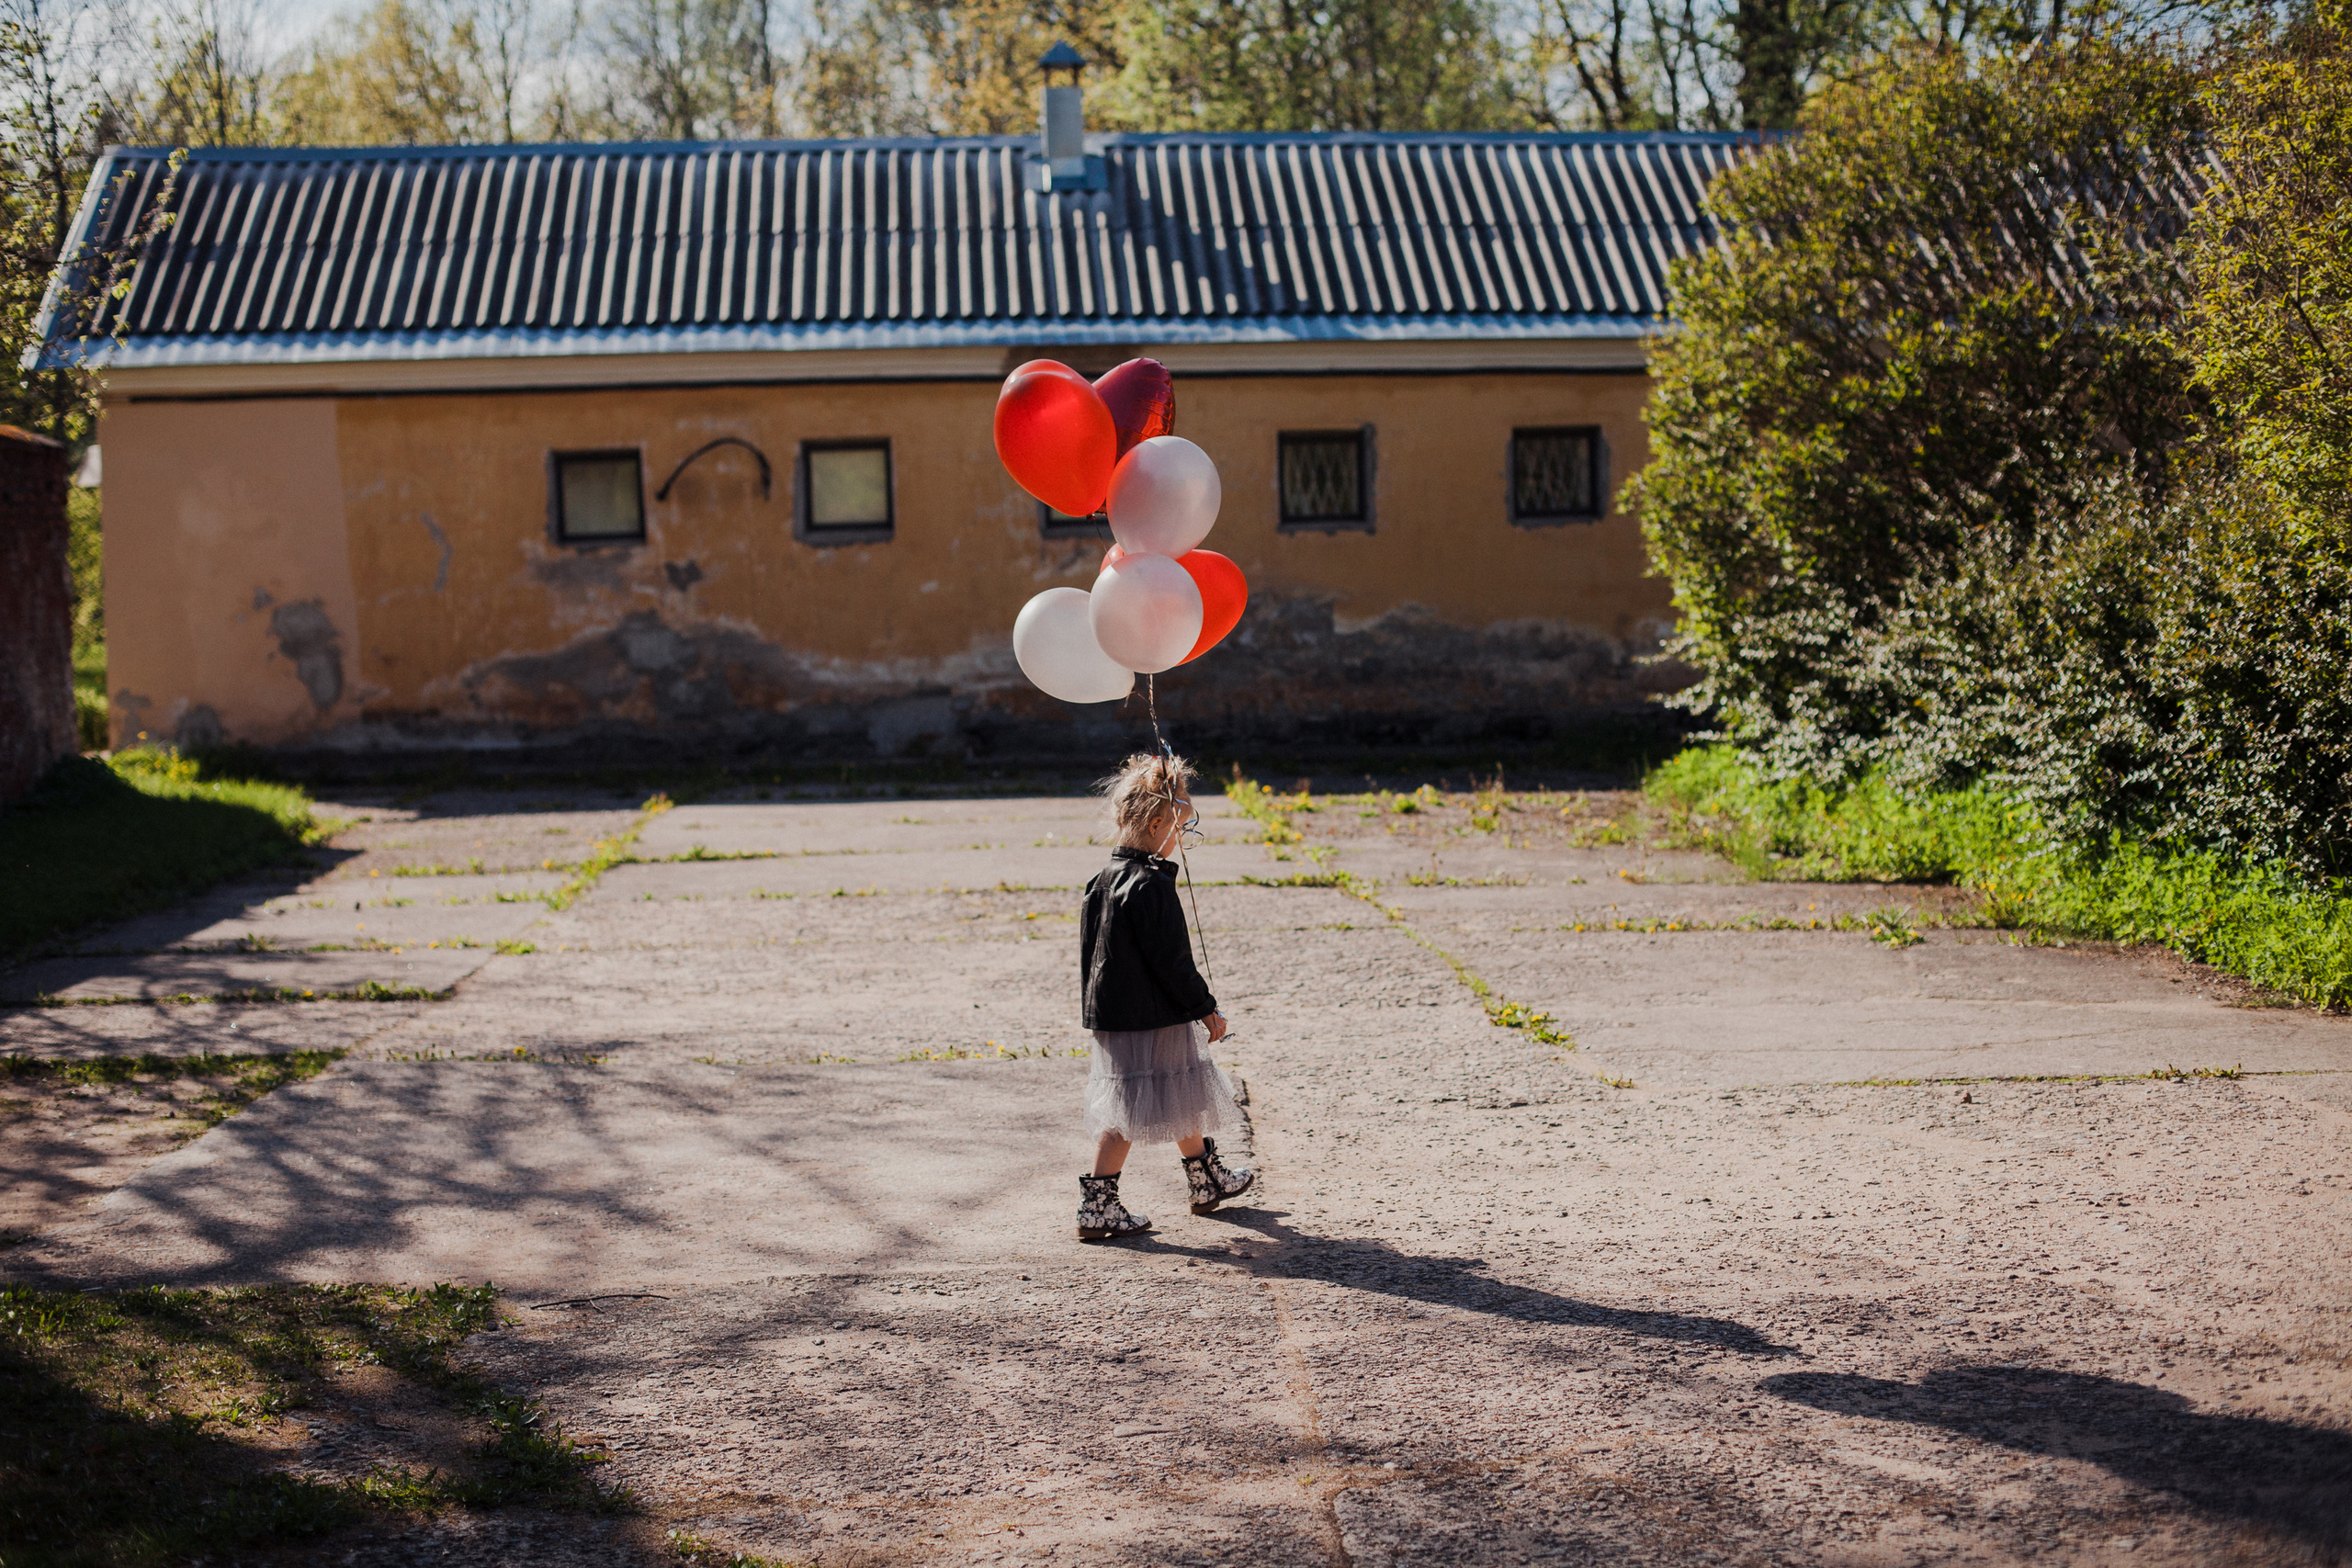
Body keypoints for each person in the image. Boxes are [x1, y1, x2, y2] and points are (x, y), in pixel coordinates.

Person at [1074, 750, 1255, 1240]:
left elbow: (1094, 954)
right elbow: (1172, 963)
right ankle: (1098, 1203)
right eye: (1182, 828)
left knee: (1175, 1088)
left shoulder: (1102, 880)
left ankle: (1206, 1179)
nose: (1182, 839)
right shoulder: (1150, 886)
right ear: (1157, 822)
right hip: (1151, 1013)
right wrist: (1206, 1009)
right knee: (1132, 1104)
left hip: (1116, 1012)